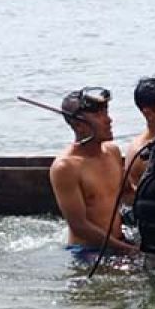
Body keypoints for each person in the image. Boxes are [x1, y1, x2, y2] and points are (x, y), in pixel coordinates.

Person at [48, 87, 136, 261]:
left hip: (119, 241)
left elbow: (129, 194)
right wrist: (128, 250)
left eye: (106, 112)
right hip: (87, 251)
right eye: (98, 115)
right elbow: (79, 226)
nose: (108, 120)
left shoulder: (113, 152)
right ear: (79, 125)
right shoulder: (66, 167)